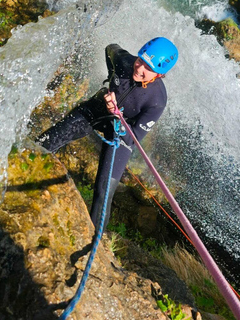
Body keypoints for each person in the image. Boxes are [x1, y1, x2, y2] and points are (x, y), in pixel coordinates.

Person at [35, 37, 178, 229]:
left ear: (159, 75)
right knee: (45, 142)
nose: (139, 68)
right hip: (98, 109)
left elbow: (133, 139)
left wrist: (118, 119)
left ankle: (95, 240)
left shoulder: (157, 101)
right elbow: (110, 49)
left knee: (104, 192)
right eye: (140, 61)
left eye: (148, 68)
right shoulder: (124, 60)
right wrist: (111, 81)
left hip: (121, 135)